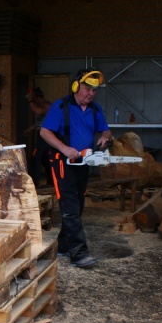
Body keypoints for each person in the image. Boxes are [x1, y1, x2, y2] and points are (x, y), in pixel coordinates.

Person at [40, 68, 112, 268]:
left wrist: (104, 138)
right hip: (62, 162)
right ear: (76, 86)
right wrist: (64, 148)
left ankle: (63, 244)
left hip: (83, 162)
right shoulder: (61, 106)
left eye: (94, 90)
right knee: (70, 206)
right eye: (87, 89)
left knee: (78, 205)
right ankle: (79, 253)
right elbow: (44, 132)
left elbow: (106, 131)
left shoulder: (95, 109)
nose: (91, 93)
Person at [24, 87, 53, 188]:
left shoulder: (47, 105)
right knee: (45, 159)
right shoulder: (40, 106)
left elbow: (39, 112)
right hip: (41, 134)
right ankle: (50, 182)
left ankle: (35, 182)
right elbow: (38, 123)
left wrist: (30, 101)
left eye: (34, 98)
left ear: (37, 97)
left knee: (36, 157)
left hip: (47, 135)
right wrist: (29, 130)